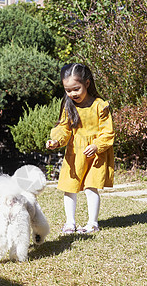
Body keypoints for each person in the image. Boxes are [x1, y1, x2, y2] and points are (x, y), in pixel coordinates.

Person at [46, 63, 114, 234]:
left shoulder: (100, 105)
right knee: (70, 187)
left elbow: (108, 132)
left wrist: (97, 145)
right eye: (68, 90)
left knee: (91, 187)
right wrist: (56, 140)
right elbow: (64, 128)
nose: (72, 94)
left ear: (88, 83)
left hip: (95, 155)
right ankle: (70, 222)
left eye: (76, 89)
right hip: (75, 153)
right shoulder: (69, 106)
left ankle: (92, 223)